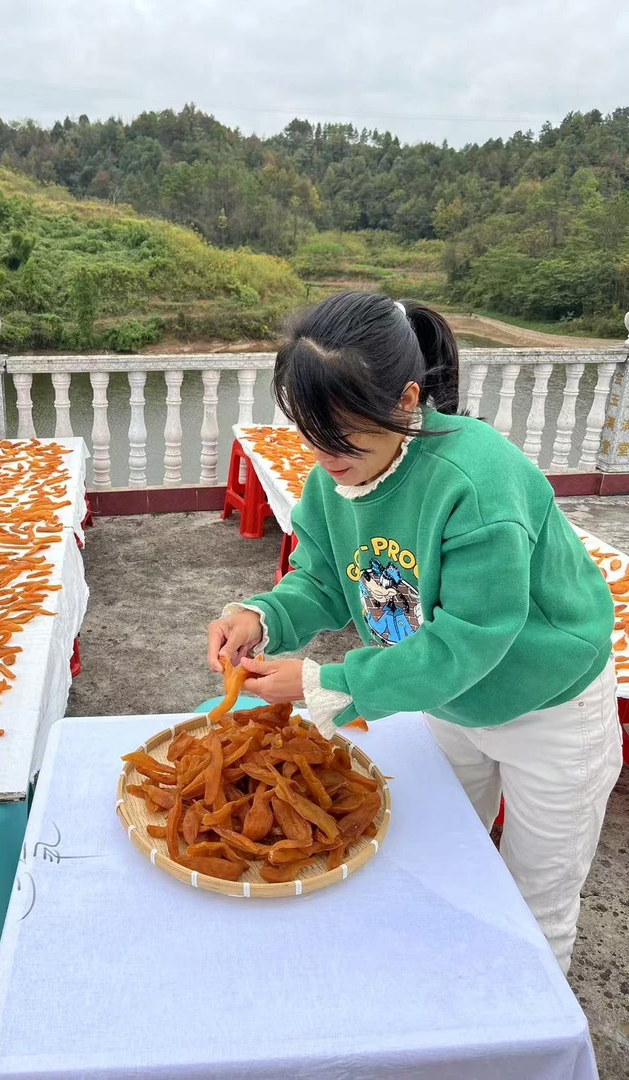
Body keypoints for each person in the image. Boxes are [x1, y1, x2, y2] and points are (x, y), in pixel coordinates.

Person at [207, 291, 622, 973]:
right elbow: (320, 578)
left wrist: (327, 683)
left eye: (341, 435)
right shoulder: (332, 479)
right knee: (440, 855)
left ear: (404, 400)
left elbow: (470, 639)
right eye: (309, 432)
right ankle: (443, 994)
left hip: (550, 705)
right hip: (447, 701)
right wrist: (262, 615)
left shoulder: (475, 481)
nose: (323, 455)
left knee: (535, 896)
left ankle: (518, 1038)